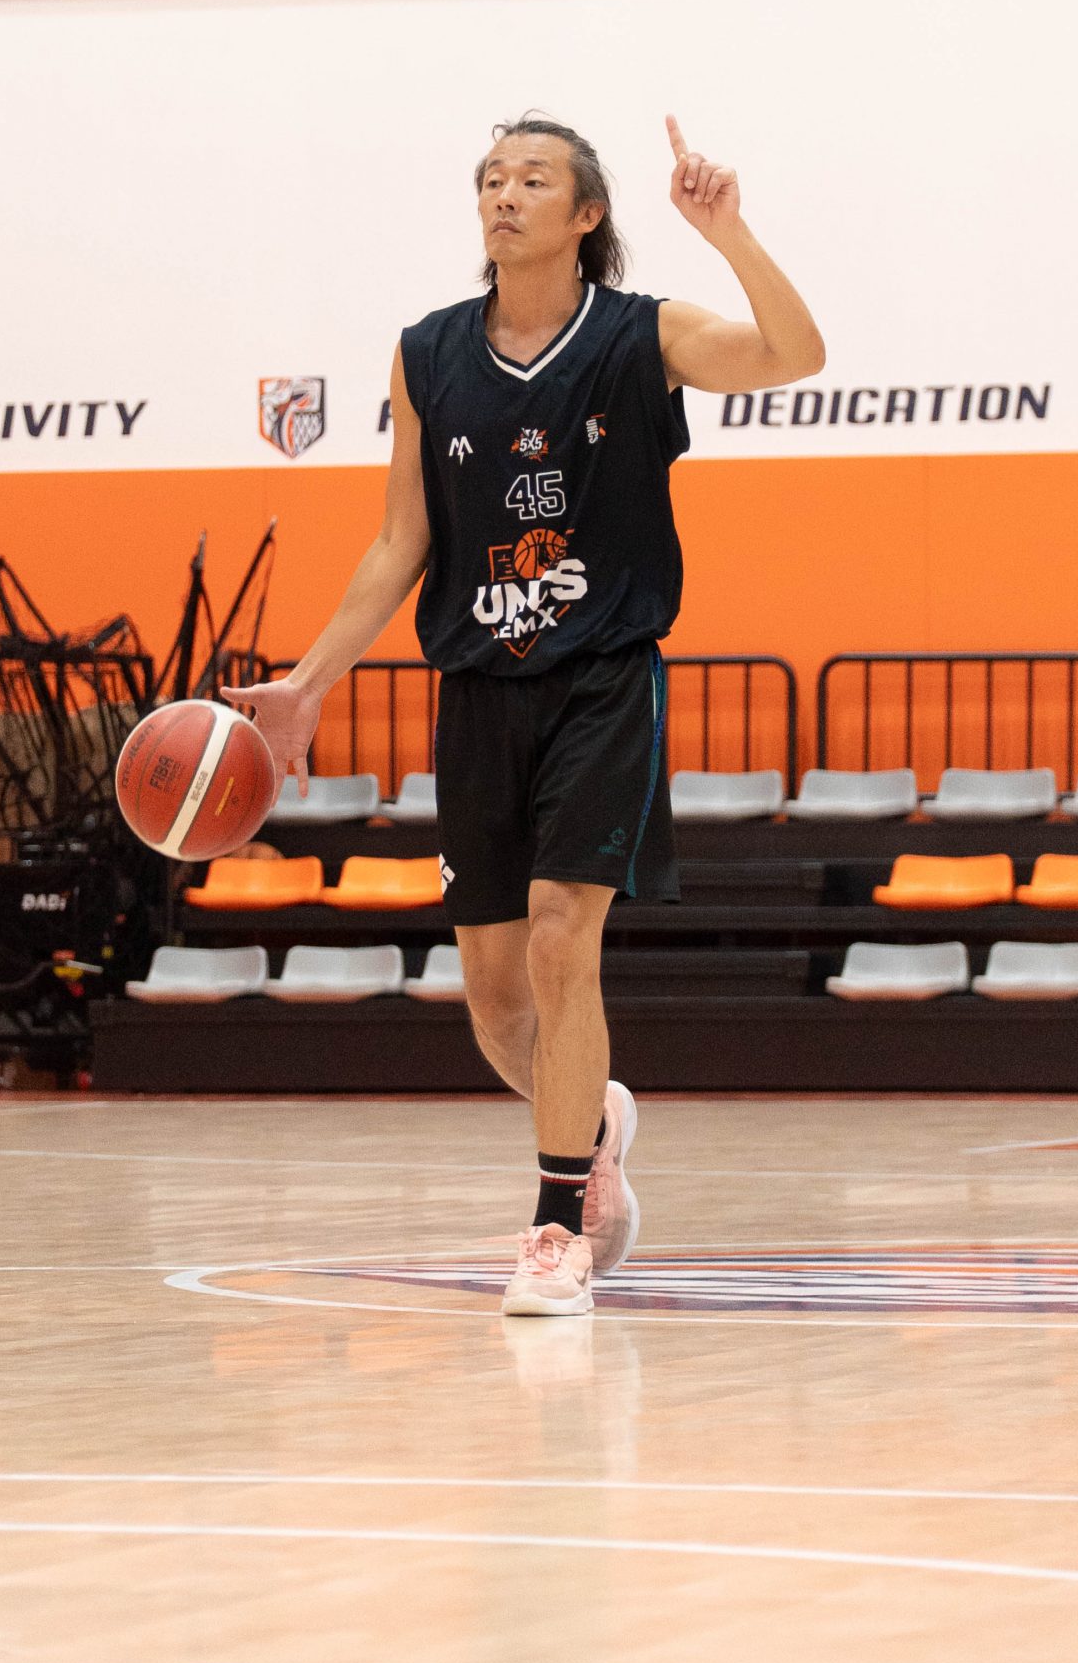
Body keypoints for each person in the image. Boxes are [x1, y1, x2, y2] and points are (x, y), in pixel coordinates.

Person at [227, 113, 823, 1316]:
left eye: (534, 179)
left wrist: (727, 230)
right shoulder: (428, 353)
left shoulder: (640, 335)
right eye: (492, 178)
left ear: (586, 214)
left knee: (562, 937)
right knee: (501, 1008)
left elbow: (793, 353)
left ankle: (556, 1228)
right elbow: (401, 542)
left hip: (602, 679)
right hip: (478, 694)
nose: (505, 194)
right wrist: (306, 684)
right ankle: (593, 1126)